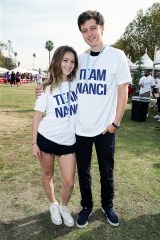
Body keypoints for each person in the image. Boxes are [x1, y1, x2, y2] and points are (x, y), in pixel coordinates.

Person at [35, 10, 132, 228]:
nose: (89, 33)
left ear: (102, 27)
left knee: (107, 171)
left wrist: (116, 122)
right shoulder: (80, 59)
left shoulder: (117, 56)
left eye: (92, 28)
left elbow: (123, 91)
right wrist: (41, 90)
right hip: (80, 129)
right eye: (84, 30)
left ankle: (108, 206)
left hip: (106, 128)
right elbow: (60, 78)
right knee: (84, 172)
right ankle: (86, 206)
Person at [32, 45, 78, 227]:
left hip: (68, 142)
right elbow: (37, 116)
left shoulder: (77, 84)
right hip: (47, 139)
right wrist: (34, 143)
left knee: (69, 182)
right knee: (47, 174)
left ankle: (64, 206)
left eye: (72, 61)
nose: (69, 64)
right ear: (57, 60)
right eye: (65, 60)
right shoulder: (46, 88)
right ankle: (53, 204)